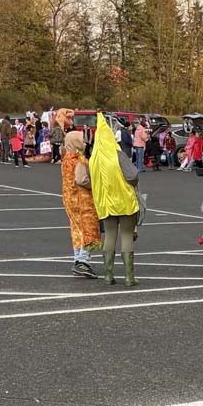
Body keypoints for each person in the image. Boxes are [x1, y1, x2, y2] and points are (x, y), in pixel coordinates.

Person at [90, 113, 140, 287]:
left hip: (104, 202)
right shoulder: (117, 154)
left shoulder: (93, 158)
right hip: (124, 200)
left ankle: (108, 275)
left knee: (109, 236)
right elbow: (133, 175)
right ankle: (129, 277)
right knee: (126, 236)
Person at [61, 131, 101, 278]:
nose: (85, 143)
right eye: (82, 140)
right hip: (82, 201)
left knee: (76, 230)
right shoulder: (79, 160)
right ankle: (83, 262)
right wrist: (95, 185)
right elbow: (81, 179)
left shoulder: (66, 159)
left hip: (69, 199)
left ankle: (77, 259)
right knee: (88, 229)